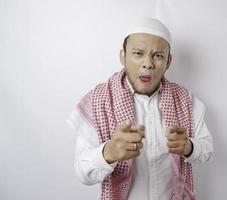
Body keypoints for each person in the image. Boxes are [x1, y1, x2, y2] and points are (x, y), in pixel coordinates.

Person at [66, 17, 213, 200]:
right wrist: (109, 152)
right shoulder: (98, 102)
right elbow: (82, 173)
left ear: (168, 62)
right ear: (123, 56)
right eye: (138, 53)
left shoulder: (186, 101)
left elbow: (207, 150)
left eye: (158, 56)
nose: (148, 63)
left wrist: (189, 146)